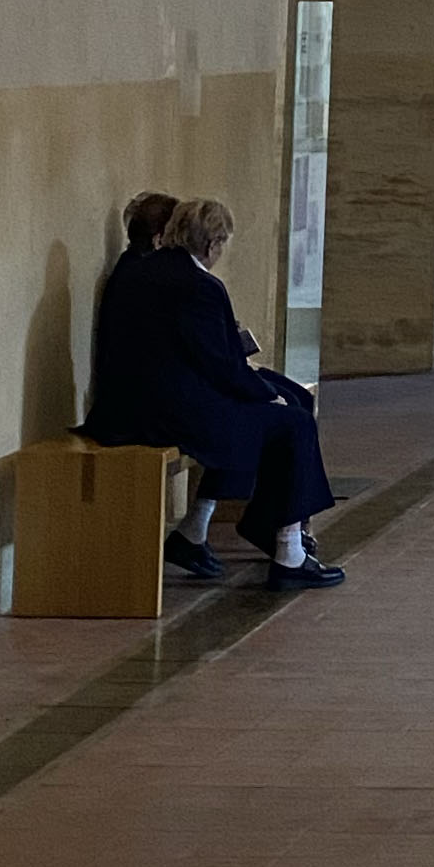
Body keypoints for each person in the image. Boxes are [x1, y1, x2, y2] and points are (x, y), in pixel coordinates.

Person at [92, 196, 343, 591]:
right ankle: (287, 549)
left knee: (267, 409)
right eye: (222, 243)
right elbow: (223, 365)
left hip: (134, 404)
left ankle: (211, 530)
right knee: (292, 422)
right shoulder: (200, 285)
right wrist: (263, 393)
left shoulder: (138, 270)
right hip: (166, 413)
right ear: (212, 245)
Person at [85, 193, 215, 576]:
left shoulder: (141, 272)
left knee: (261, 407)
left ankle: (200, 532)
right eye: (177, 233)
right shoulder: (144, 279)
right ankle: (197, 533)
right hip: (136, 410)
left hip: (145, 398)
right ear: (161, 238)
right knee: (239, 425)